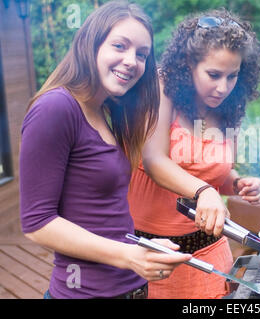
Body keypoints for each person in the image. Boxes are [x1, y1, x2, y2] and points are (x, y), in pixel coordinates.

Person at [19, 1, 191, 299]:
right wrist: (130, 256)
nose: (131, 61)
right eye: (120, 46)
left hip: (130, 289)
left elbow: (103, 215)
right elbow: (37, 224)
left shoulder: (106, 111)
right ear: (91, 44)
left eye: (141, 54)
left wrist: (144, 249)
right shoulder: (56, 108)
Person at [127, 9, 260, 299]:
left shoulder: (229, 107)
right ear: (188, 64)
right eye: (213, 74)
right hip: (155, 257)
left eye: (233, 76)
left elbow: (214, 174)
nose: (223, 87)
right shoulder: (161, 87)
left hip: (210, 256)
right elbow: (153, 160)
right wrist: (204, 192)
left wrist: (237, 184)